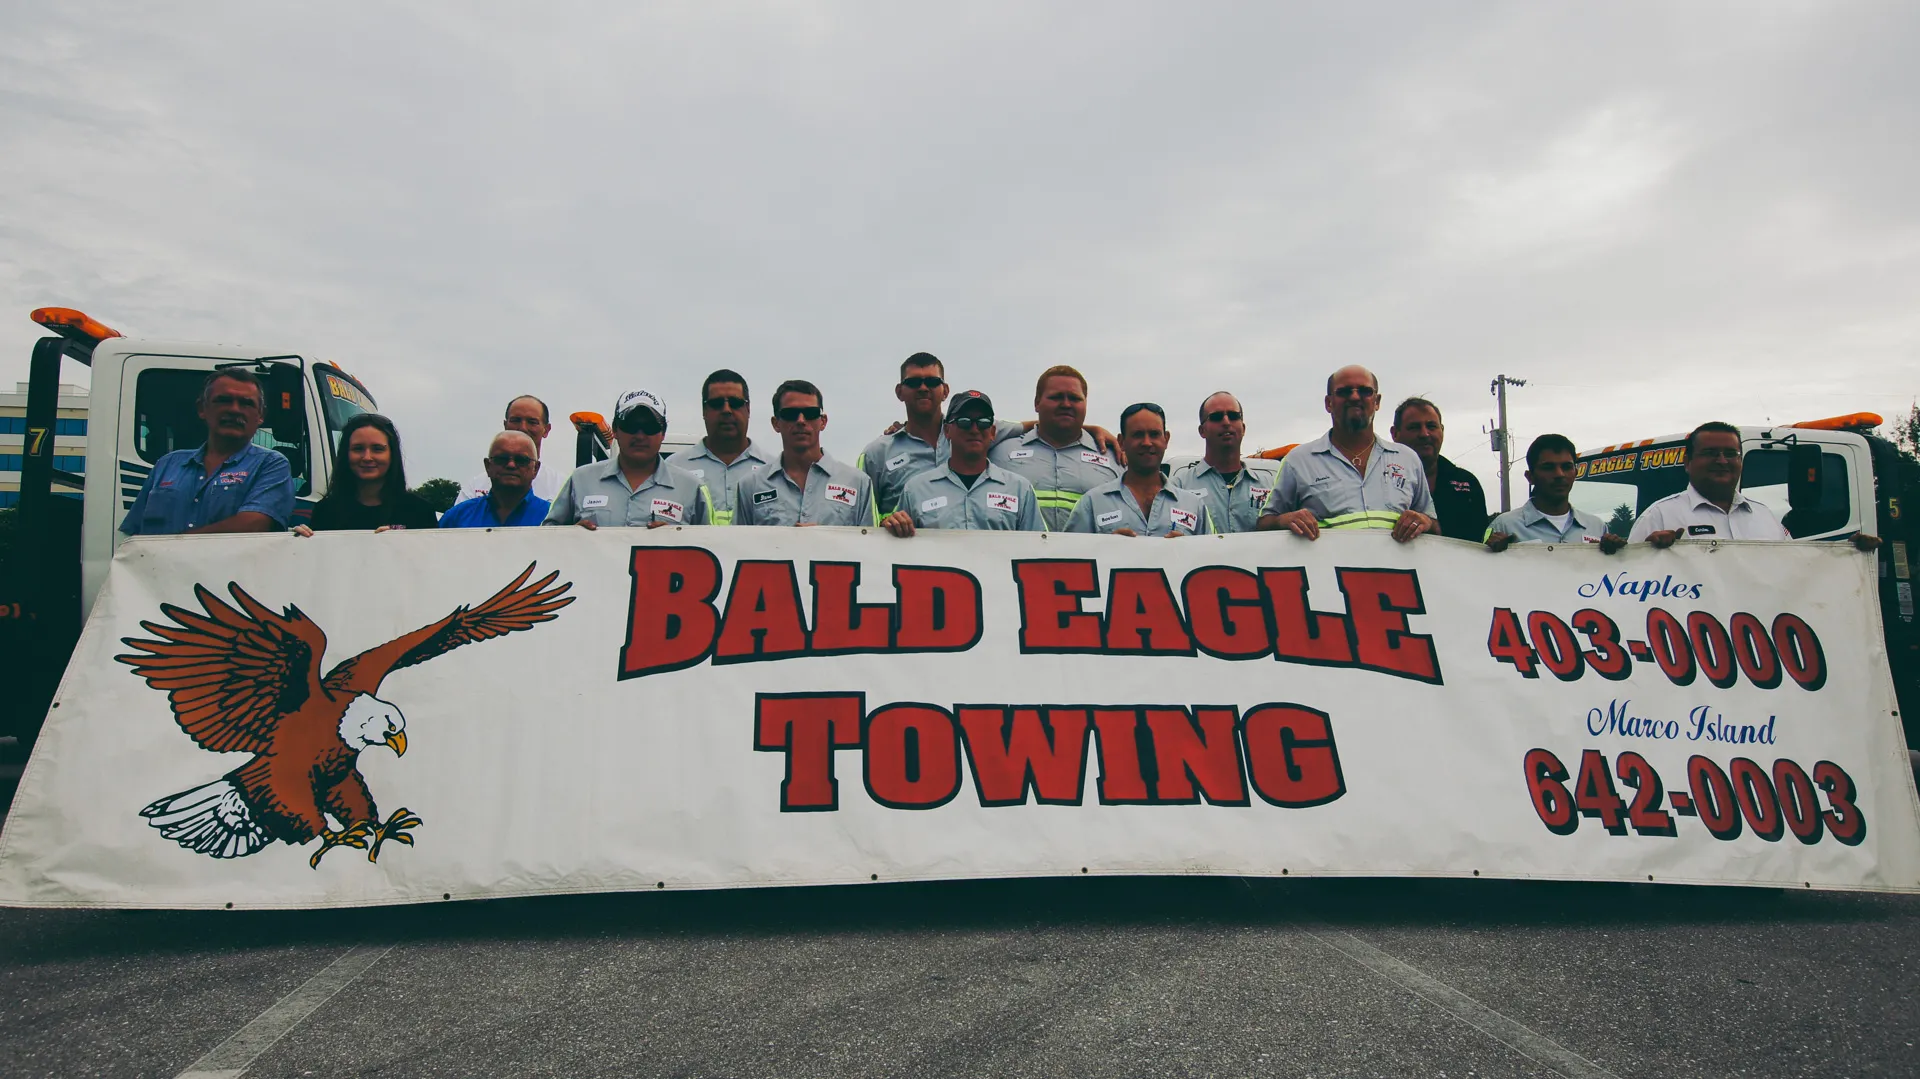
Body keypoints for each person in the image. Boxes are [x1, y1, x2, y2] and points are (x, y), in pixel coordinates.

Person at [859, 353, 1115, 516]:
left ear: (945, 390)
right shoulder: (877, 453)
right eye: (914, 382)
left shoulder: (980, 433)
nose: (924, 388)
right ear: (899, 391)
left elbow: (1041, 424)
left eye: (932, 382)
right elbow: (863, 520)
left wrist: (1089, 430)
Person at [1629, 421, 1879, 550]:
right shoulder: (1659, 517)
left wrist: (1846, 554)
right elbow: (1626, 583)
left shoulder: (1765, 517)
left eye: (1731, 453)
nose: (1722, 461)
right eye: (1710, 453)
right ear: (1688, 463)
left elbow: (1798, 568)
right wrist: (1646, 553)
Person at [1257, 365, 1434, 542]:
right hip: (1327, 569)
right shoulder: (1298, 461)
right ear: (1328, 403)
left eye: (1365, 391)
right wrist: (1283, 520)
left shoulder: (1407, 459)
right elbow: (1263, 524)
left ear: (1377, 401)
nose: (1355, 397)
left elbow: (1434, 527)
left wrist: (1425, 522)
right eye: (1344, 392)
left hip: (1396, 569)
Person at [120, 369, 295, 536]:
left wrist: (175, 545)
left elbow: (253, 525)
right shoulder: (167, 464)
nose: (234, 409)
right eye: (224, 400)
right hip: (156, 567)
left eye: (246, 403)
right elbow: (133, 532)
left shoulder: (270, 464)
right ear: (202, 409)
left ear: (260, 415)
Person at [881, 391, 1042, 535]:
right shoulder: (915, 490)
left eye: (983, 422)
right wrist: (889, 526)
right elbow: (896, 548)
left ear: (992, 432)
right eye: (964, 421)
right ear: (947, 431)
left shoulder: (1020, 489)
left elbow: (1040, 550)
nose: (974, 429)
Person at [544, 389, 711, 528]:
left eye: (650, 427)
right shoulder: (580, 480)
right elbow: (544, 539)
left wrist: (676, 541)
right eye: (631, 426)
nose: (640, 436)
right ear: (615, 429)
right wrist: (569, 535)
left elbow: (713, 548)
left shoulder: (692, 487)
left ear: (663, 433)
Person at [988, 365, 1125, 530]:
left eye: (1075, 398)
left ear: (1085, 403)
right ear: (1037, 403)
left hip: (1092, 555)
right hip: (1018, 554)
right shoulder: (999, 453)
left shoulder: (1115, 458)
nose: (1066, 404)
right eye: (1056, 397)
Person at [732, 380, 874, 526]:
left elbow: (868, 545)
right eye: (790, 414)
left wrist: (825, 539)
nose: (801, 420)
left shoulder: (858, 483)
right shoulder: (751, 486)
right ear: (776, 423)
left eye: (810, 413)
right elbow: (737, 545)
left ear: (823, 421)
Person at [1065, 403, 1213, 537]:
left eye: (1154, 434)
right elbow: (1067, 559)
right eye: (1138, 435)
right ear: (1122, 442)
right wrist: (1104, 548)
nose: (1147, 443)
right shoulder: (1092, 503)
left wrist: (1189, 550)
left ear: (1166, 439)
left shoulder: (1194, 506)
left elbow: (1212, 559)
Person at [297, 413, 438, 533]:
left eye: (377, 449)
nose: (367, 457)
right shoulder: (326, 510)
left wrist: (399, 543)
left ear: (392, 455)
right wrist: (298, 541)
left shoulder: (420, 511)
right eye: (358, 449)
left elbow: (431, 561)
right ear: (346, 454)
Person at [1485, 434, 1624, 551]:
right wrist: (1492, 552)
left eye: (1567, 467)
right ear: (1530, 477)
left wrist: (1622, 556)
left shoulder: (1597, 527)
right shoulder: (1504, 526)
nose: (1560, 474)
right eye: (1548, 467)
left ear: (1575, 473)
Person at [675, 369, 777, 526]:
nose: (726, 410)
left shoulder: (775, 471)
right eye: (716, 404)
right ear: (704, 410)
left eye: (735, 403)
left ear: (748, 409)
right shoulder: (674, 469)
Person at [1169, 391, 1276, 533]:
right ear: (1202, 431)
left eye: (1233, 416)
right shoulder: (1179, 487)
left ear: (1243, 428)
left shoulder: (1270, 487)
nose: (1226, 422)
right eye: (1216, 417)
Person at [1390, 397, 1489, 541]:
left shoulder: (1467, 483)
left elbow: (1479, 541)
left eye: (1431, 426)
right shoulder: (1380, 478)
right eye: (1414, 427)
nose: (1424, 434)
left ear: (1442, 430)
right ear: (1395, 434)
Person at [459, 395, 565, 504]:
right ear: (505, 425)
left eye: (532, 422)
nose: (523, 428)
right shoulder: (474, 488)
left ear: (546, 430)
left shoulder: (562, 487)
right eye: (516, 420)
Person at [440, 431, 551, 528]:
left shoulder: (553, 518)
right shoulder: (456, 518)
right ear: (488, 466)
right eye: (502, 459)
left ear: (535, 468)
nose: (511, 465)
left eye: (521, 460)